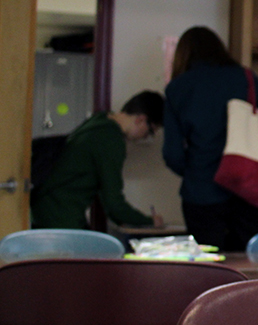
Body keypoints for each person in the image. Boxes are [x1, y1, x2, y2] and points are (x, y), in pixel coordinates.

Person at [163, 26, 258, 252]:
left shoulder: (177, 88)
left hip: (201, 192)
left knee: (210, 268)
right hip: (249, 190)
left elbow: (172, 153)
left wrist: (196, 170)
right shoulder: (247, 78)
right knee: (250, 266)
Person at [31, 91, 165, 229]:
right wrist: (149, 221)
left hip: (43, 210)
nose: (146, 137)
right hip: (61, 217)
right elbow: (113, 203)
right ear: (141, 119)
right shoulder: (111, 139)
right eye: (151, 131)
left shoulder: (99, 121)